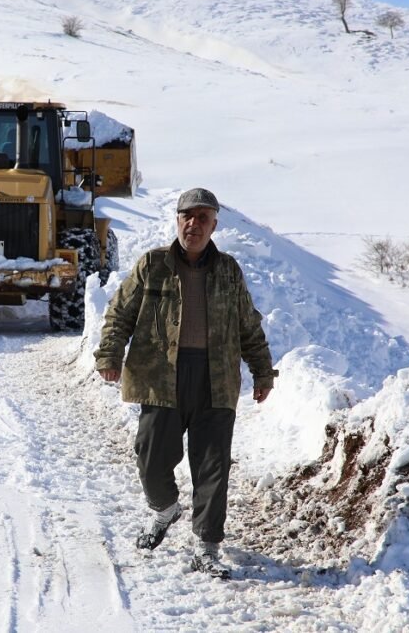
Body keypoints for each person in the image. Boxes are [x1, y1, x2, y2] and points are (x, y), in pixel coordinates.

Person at [94, 187, 277, 579]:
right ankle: (165, 509)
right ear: (177, 220)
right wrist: (109, 355)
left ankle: (207, 547)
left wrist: (262, 371)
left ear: (214, 225)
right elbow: (120, 313)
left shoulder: (228, 270)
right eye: (187, 217)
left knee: (213, 467)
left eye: (203, 218)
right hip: (161, 377)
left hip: (216, 379)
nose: (194, 224)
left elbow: (248, 325)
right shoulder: (153, 264)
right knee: (151, 457)